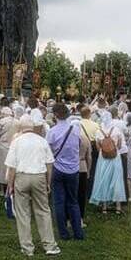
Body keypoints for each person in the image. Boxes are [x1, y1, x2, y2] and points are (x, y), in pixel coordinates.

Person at [4, 115, 60, 256]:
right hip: (39, 176)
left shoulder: (16, 142)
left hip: (21, 177)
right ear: (33, 127)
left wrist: (10, 185)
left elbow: (11, 167)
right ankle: (50, 245)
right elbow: (49, 164)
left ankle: (27, 247)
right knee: (43, 210)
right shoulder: (41, 141)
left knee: (23, 213)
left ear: (21, 128)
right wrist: (48, 181)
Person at [46, 103, 84, 241]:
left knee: (59, 202)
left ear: (55, 115)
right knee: (73, 201)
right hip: (73, 169)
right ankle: (78, 232)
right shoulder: (75, 130)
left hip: (58, 168)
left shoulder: (52, 132)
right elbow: (79, 145)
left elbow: (48, 151)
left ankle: (63, 233)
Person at [89, 113, 127, 214]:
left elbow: (98, 148)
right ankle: (118, 207)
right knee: (117, 180)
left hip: (103, 158)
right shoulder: (117, 130)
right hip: (115, 157)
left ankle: (104, 207)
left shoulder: (98, 132)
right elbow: (119, 146)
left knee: (103, 179)